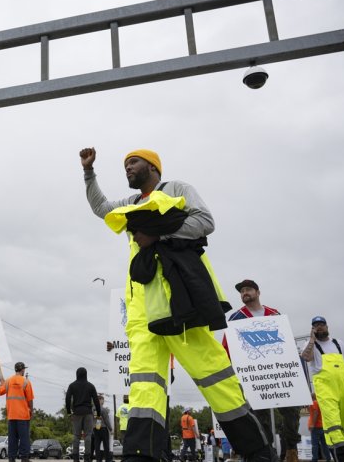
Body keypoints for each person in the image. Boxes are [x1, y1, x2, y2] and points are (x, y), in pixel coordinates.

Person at [79, 148, 273, 462]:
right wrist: (89, 172)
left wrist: (156, 236)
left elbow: (205, 222)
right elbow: (101, 207)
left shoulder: (177, 189)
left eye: (134, 161)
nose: (127, 167)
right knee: (145, 384)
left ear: (152, 166)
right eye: (125, 163)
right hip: (141, 311)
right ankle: (142, 454)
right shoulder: (130, 204)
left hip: (179, 302)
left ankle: (257, 451)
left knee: (213, 374)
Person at [224, 279, 301, 462]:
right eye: (242, 291)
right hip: (253, 376)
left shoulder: (274, 315)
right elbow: (227, 347)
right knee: (260, 419)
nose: (245, 293)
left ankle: (291, 448)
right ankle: (267, 454)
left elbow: (287, 343)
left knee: (292, 410)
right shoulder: (236, 318)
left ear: (258, 292)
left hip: (278, 373)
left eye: (248, 289)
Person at [301, 316, 344, 462]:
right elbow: (305, 357)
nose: (319, 327)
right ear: (312, 329)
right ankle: (342, 454)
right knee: (332, 422)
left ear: (327, 326)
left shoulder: (339, 343)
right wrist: (312, 339)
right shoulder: (310, 345)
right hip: (327, 390)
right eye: (315, 325)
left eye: (321, 324)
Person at [0, 361, 34, 462]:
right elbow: (30, 399)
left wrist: (2, 383)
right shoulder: (26, 382)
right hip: (23, 415)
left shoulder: (8, 381)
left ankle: (11, 458)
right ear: (22, 370)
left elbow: (0, 392)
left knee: (12, 438)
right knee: (24, 438)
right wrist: (31, 411)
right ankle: (24, 458)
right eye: (24, 369)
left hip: (11, 415)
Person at [66, 367, 102, 462]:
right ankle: (87, 457)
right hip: (88, 413)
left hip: (77, 413)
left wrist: (69, 412)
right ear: (86, 374)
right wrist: (98, 413)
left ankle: (75, 458)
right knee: (88, 435)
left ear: (76, 374)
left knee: (76, 436)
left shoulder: (72, 386)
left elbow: (68, 398)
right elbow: (96, 400)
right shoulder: (90, 386)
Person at [308, 393, 332, 462]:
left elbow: (316, 413)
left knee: (315, 445)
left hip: (316, 427)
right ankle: (328, 458)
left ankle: (314, 459)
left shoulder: (314, 402)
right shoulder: (319, 403)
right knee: (324, 445)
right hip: (322, 426)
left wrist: (312, 424)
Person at [94, 395, 114, 462]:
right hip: (103, 429)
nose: (103, 401)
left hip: (96, 429)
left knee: (97, 445)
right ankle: (107, 460)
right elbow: (106, 420)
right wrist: (111, 429)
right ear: (100, 400)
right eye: (103, 400)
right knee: (106, 446)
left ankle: (98, 460)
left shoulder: (92, 409)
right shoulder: (103, 409)